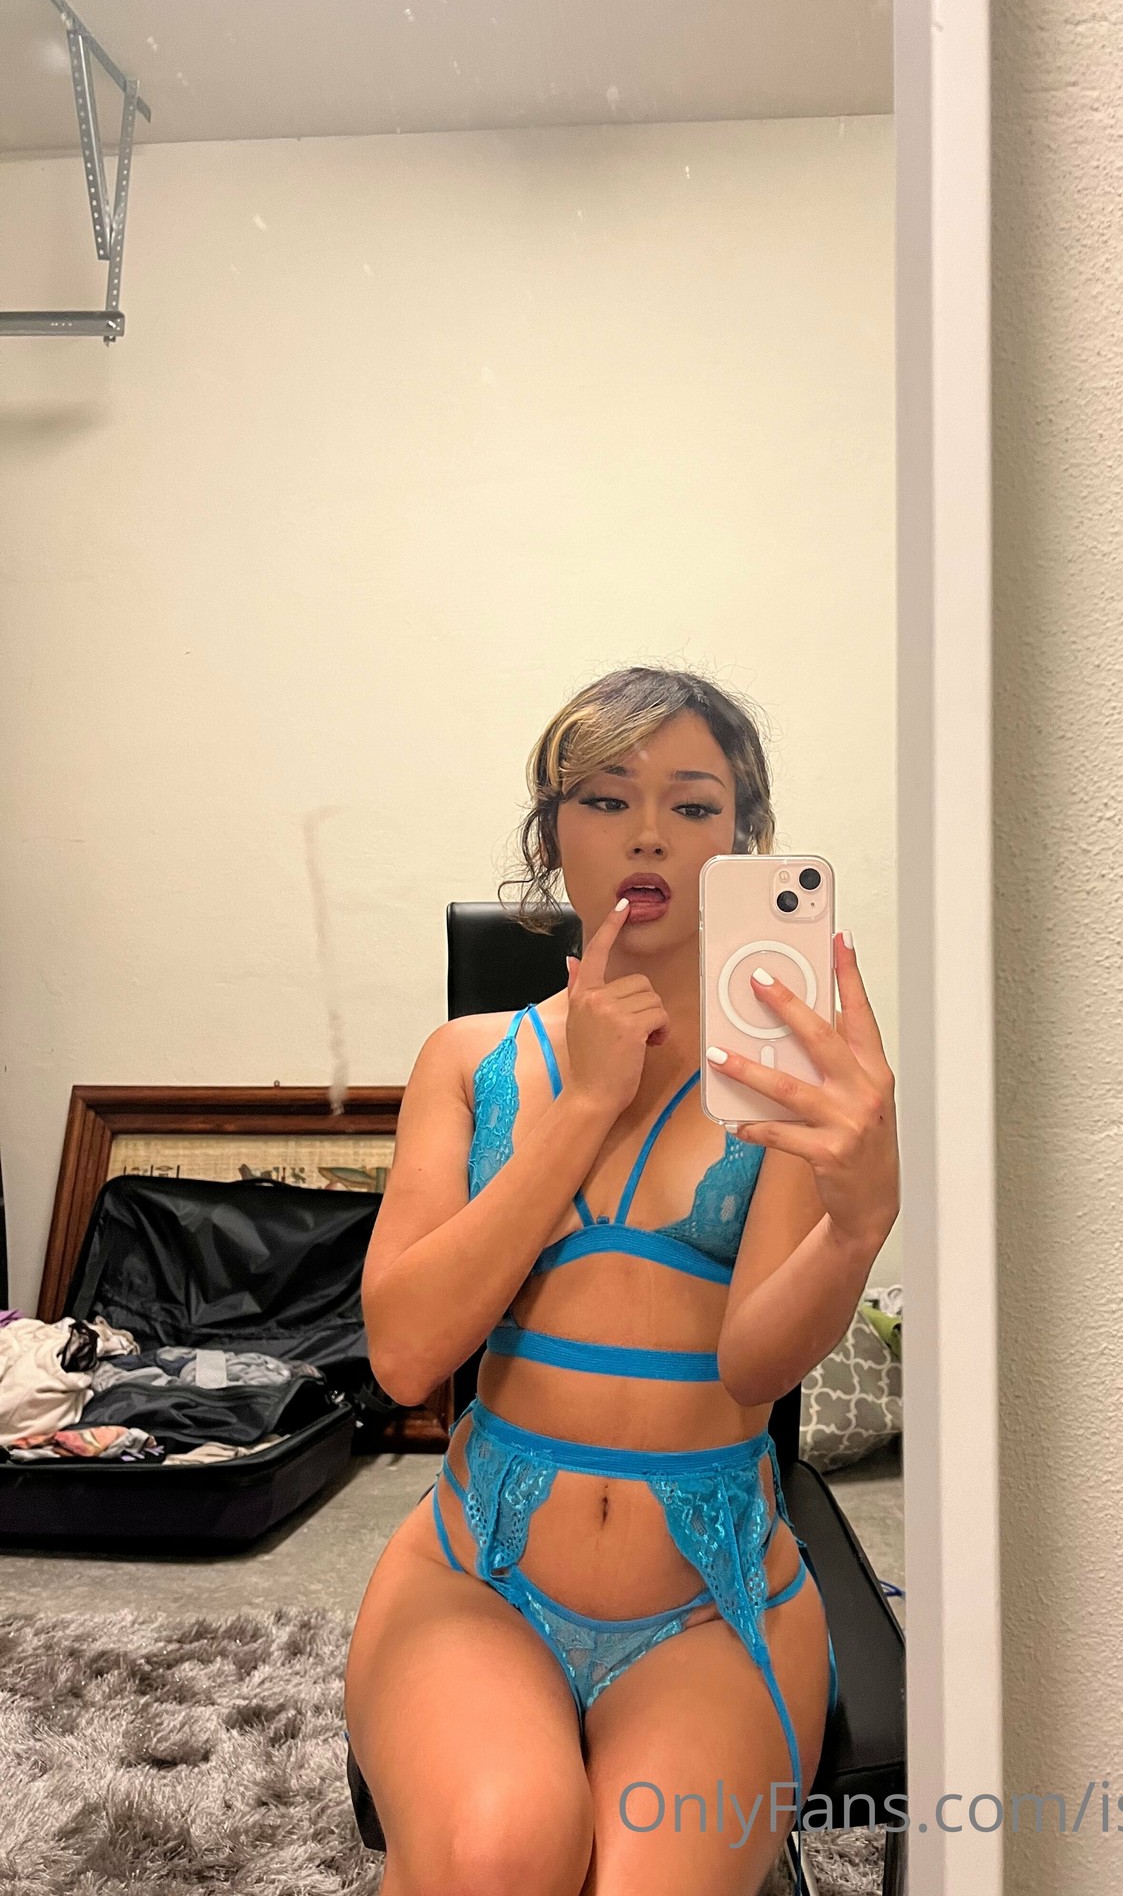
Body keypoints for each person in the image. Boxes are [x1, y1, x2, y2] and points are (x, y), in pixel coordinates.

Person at [343, 665, 900, 1896]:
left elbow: (755, 1364)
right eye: (605, 799)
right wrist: (584, 1102)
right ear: (553, 836)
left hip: (713, 1600)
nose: (648, 833)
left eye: (693, 806)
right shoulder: (469, 1060)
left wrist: (856, 1230)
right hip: (478, 1576)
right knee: (498, 1852)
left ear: (743, 842)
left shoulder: (780, 1079)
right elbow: (405, 1355)